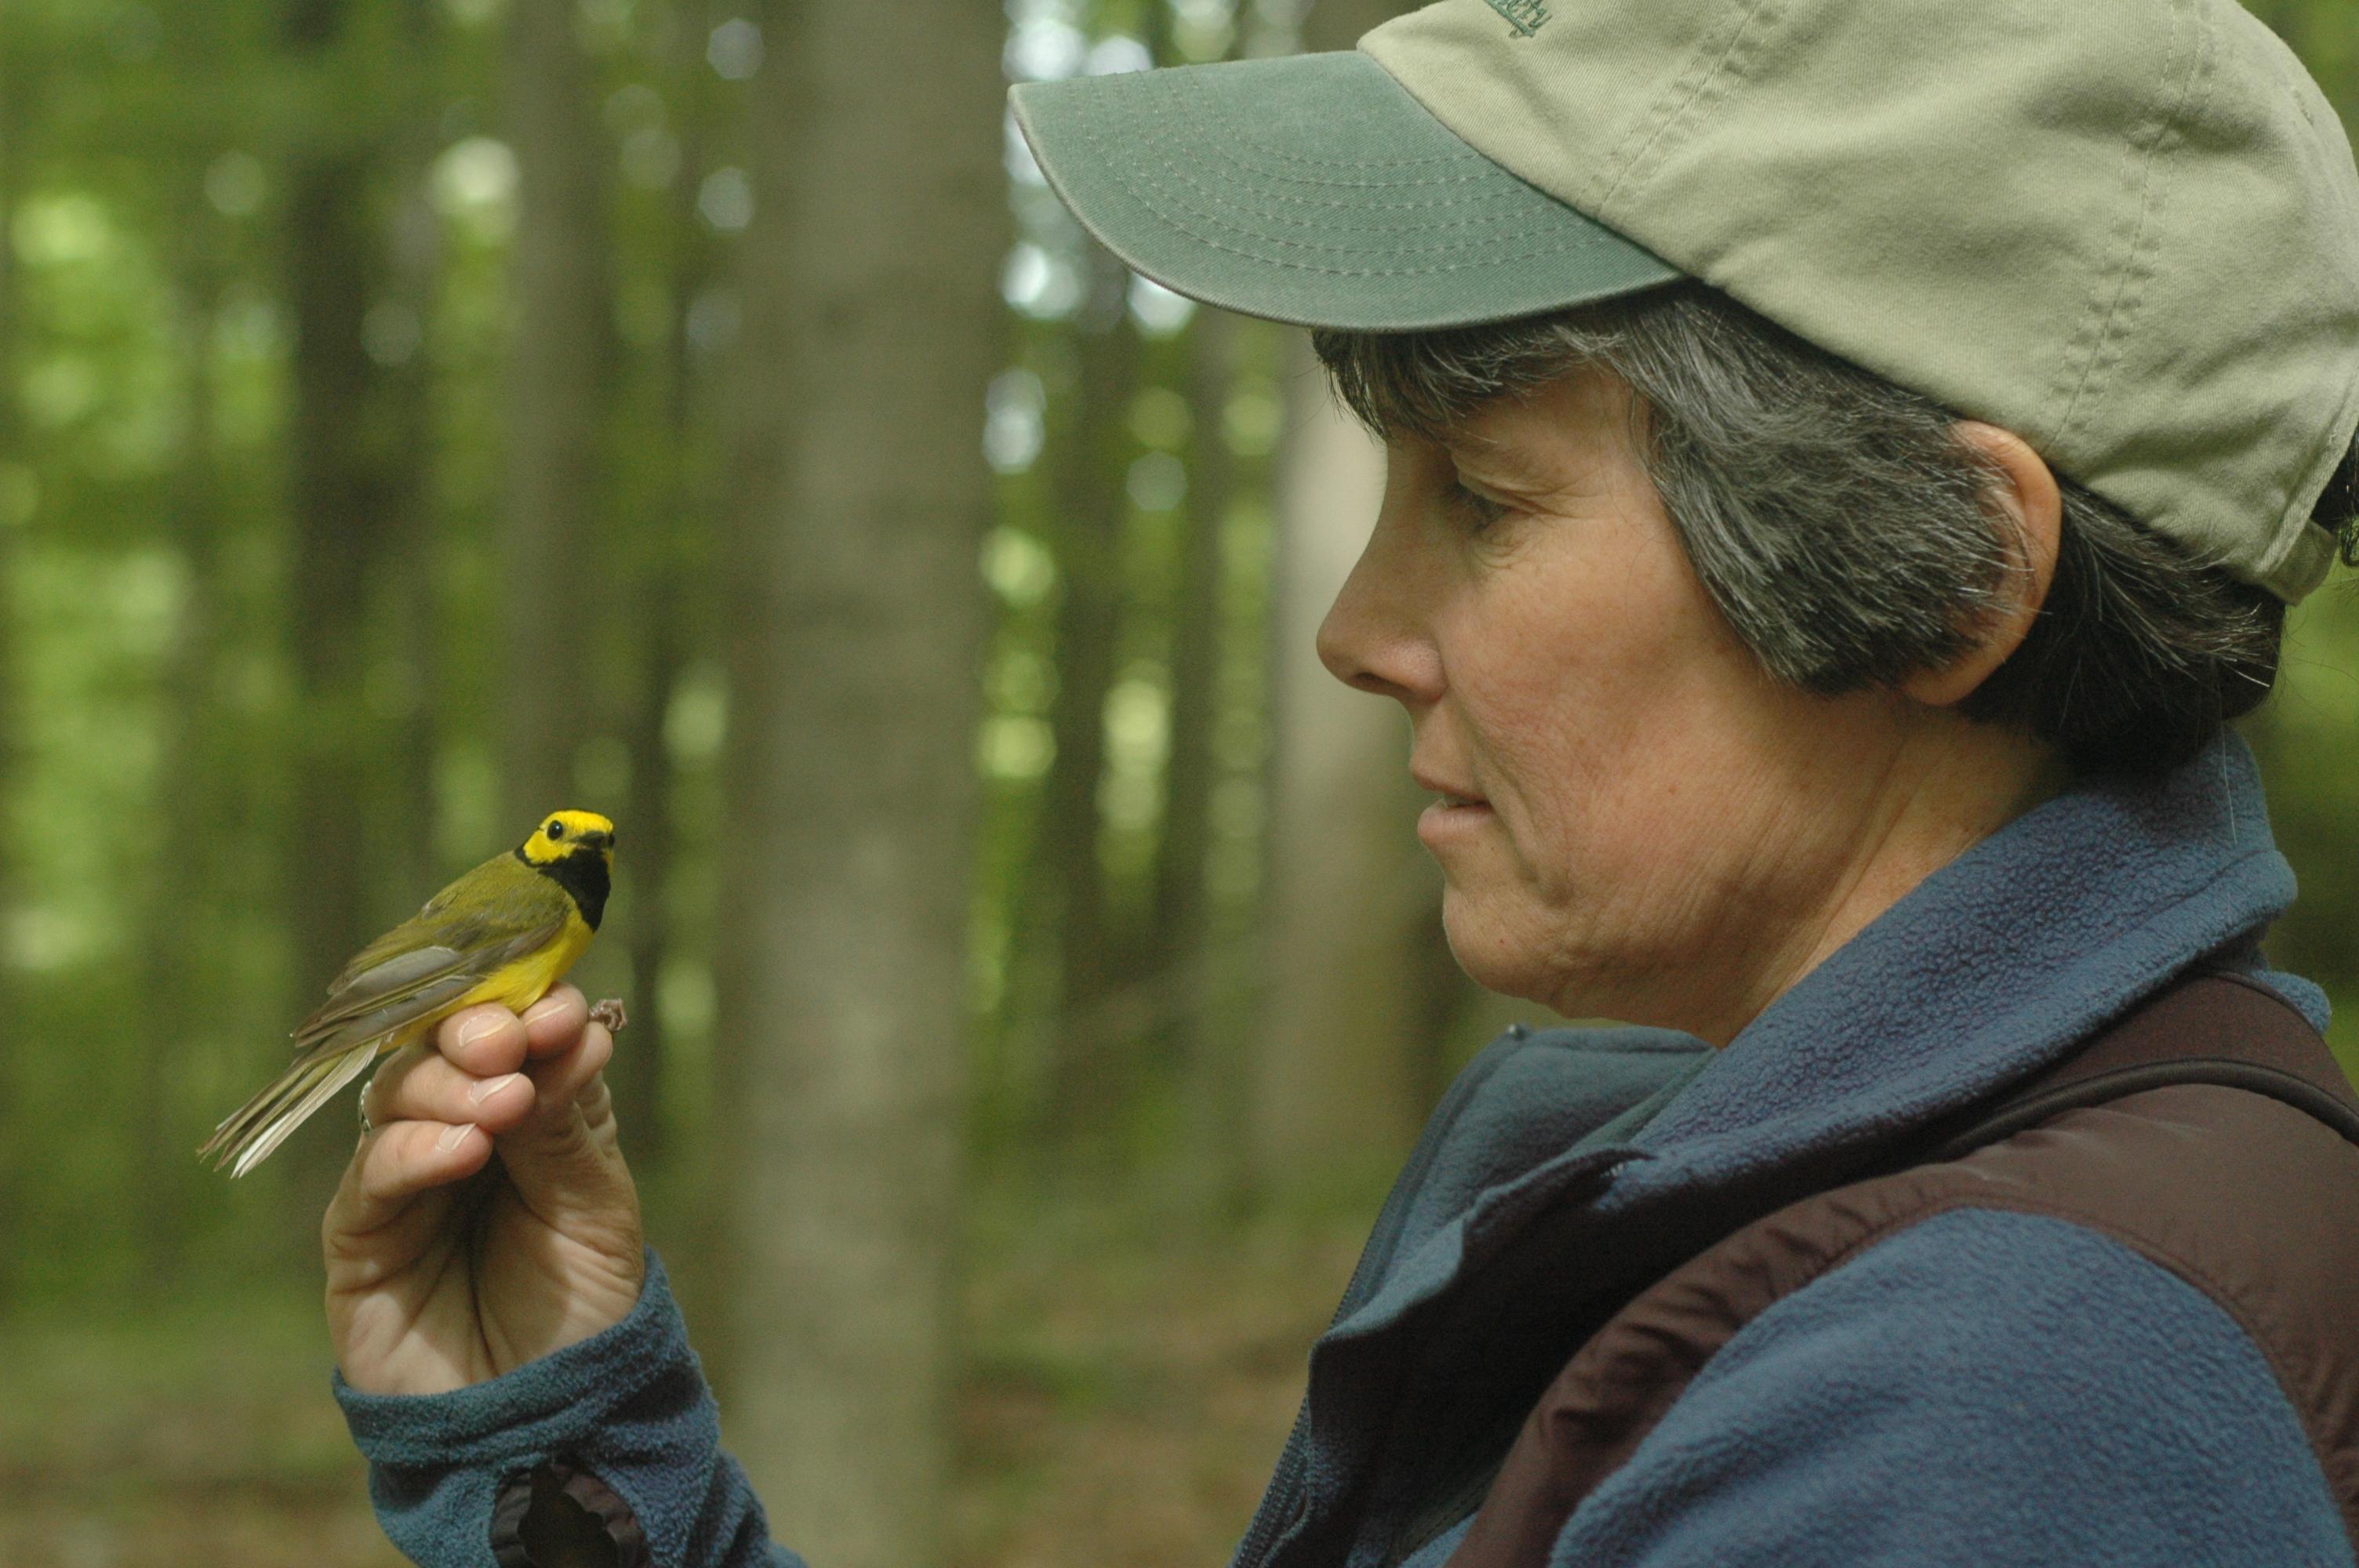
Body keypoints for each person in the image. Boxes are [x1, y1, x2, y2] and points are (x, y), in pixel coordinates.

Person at [322, 0, 2359, 1563]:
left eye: (1481, 498)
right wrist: (567, 1459)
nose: (1355, 628)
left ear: (1949, 578)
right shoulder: (1694, 1166)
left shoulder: (1983, 1417)